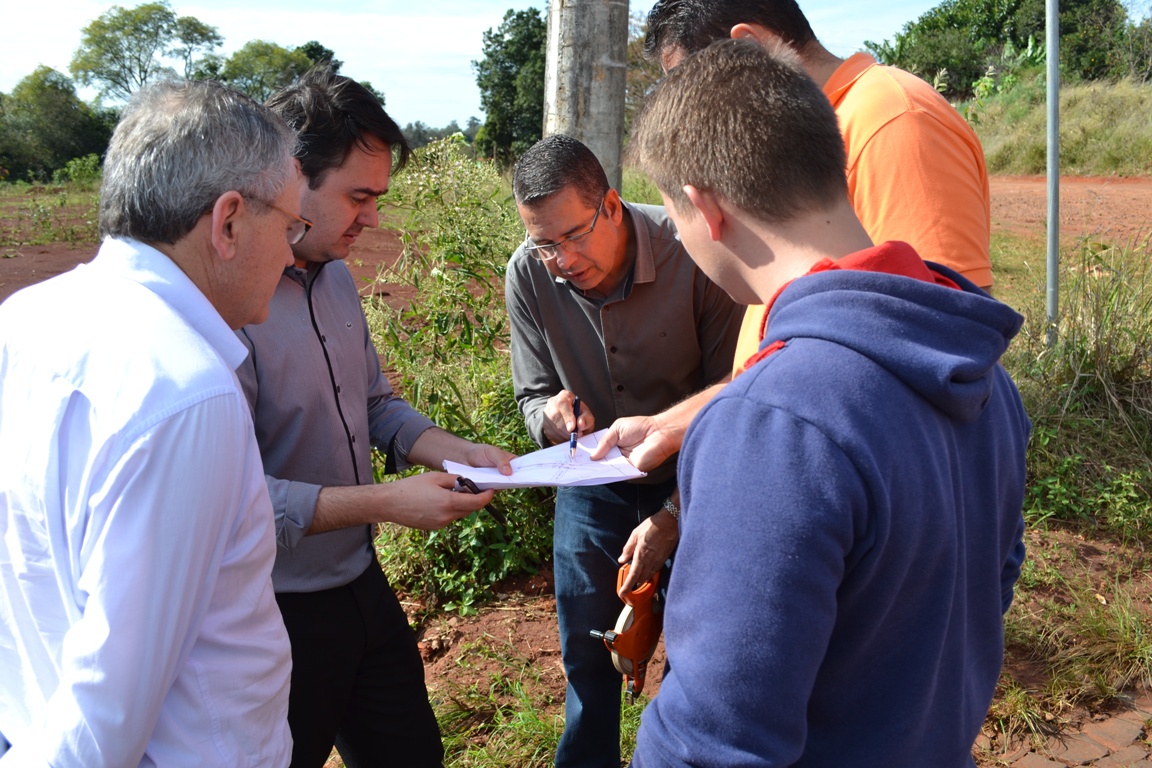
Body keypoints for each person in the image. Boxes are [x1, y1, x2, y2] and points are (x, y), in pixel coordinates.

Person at [624, 39, 1029, 766]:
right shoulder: (980, 370)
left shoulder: (772, 420)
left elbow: (714, 739)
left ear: (703, 207)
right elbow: (988, 587)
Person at [0, 79, 301, 765]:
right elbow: (105, 717)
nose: (291, 255)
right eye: (289, 227)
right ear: (228, 223)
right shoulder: (186, 392)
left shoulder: (23, 320)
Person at [237, 66, 515, 768]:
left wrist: (455, 450)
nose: (373, 220)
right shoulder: (230, 306)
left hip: (359, 581)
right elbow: (234, 500)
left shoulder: (334, 276)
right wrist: (388, 503)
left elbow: (374, 403)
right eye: (358, 197)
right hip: (271, 612)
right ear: (290, 178)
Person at [593, 0, 997, 465]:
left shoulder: (893, 121)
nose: (685, 117)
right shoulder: (794, 146)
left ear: (749, 47)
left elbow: (935, 346)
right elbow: (806, 351)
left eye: (688, 84)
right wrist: (675, 424)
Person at [505, 134, 743, 768]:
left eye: (573, 236)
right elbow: (531, 395)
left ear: (611, 205)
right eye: (544, 243)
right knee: (587, 654)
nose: (560, 260)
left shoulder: (693, 251)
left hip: (699, 477)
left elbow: (736, 395)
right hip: (591, 482)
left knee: (702, 653)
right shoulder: (527, 272)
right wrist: (552, 417)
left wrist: (675, 513)